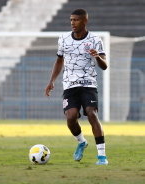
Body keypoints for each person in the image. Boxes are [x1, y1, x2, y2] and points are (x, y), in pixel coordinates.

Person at [45, 9, 108, 165]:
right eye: (71, 20)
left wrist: (97, 57)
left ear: (85, 21)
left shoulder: (95, 39)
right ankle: (81, 142)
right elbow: (59, 61)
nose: (73, 23)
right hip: (69, 85)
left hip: (88, 84)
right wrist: (52, 80)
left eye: (76, 20)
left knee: (91, 113)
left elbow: (104, 66)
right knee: (71, 117)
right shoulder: (64, 39)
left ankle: (102, 156)